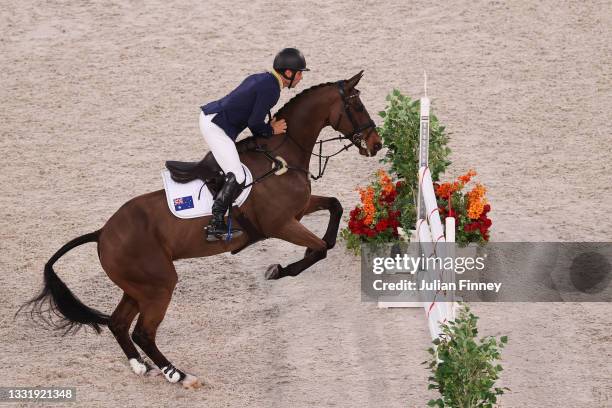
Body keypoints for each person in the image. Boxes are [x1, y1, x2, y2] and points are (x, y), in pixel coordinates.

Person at [200, 48, 309, 241]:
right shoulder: (272, 89)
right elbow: (254, 124)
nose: (301, 77)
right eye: (300, 73)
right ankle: (215, 225)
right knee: (238, 175)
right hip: (216, 127)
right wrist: (271, 130)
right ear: (288, 73)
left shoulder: (265, 79)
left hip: (214, 118)